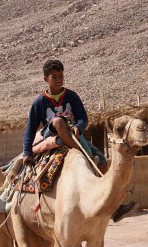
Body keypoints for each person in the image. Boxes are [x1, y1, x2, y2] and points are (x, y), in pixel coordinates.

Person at [21, 59, 135, 222]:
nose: (59, 80)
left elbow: (83, 118)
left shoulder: (71, 96)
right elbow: (30, 129)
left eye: (61, 76)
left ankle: (113, 206)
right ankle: (79, 151)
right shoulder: (39, 102)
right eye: (54, 77)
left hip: (74, 135)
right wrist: (27, 153)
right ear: (46, 78)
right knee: (59, 121)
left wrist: (78, 128)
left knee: (101, 161)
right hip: (52, 135)